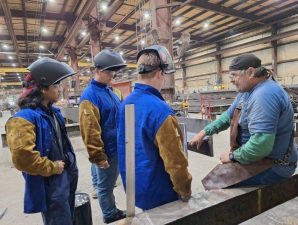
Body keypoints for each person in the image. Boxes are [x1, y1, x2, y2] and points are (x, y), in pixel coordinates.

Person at [190, 54, 298, 188]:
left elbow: (261, 145)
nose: (231, 80)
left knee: (215, 183)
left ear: (251, 72)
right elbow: (227, 116)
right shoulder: (247, 91)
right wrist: (204, 132)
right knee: (216, 177)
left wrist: (232, 156)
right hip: (257, 159)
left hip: (274, 165)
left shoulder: (264, 95)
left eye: (234, 75)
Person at [117, 45, 192, 210]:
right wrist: (184, 190)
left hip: (136, 188)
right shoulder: (160, 111)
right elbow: (175, 161)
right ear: (160, 73)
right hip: (161, 194)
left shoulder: (125, 104)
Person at [6, 57, 78, 225]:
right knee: (59, 220)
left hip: (65, 175)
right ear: (43, 89)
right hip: (50, 182)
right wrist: (52, 167)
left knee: (69, 217)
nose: (60, 89)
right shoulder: (22, 119)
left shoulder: (53, 112)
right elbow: (23, 158)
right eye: (56, 86)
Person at [79, 49, 127, 223]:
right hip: (107, 151)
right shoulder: (90, 96)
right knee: (105, 187)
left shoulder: (110, 91)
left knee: (104, 184)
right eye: (108, 71)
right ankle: (109, 215)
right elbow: (90, 130)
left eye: (113, 71)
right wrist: (98, 156)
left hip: (115, 147)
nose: (111, 75)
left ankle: (111, 209)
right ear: (97, 70)